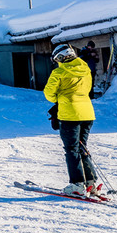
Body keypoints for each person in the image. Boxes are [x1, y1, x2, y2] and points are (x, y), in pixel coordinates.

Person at [44, 42, 100, 197]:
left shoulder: (59, 73)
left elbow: (49, 94)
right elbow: (88, 89)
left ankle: (76, 184)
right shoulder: (85, 69)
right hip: (87, 113)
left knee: (72, 149)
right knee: (82, 147)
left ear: (60, 58)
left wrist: (61, 98)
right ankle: (91, 183)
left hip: (70, 115)